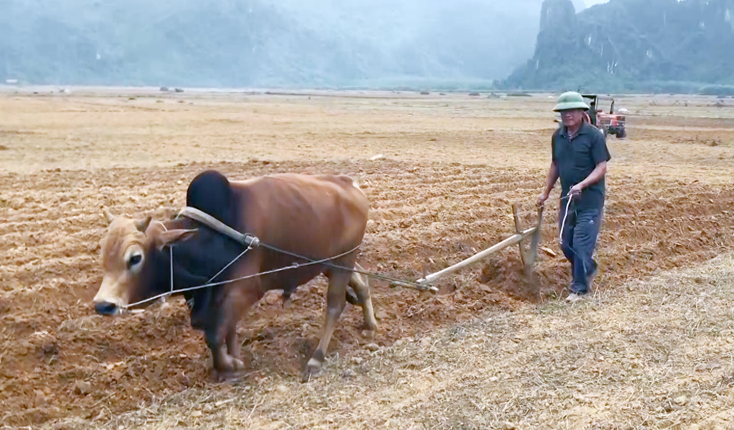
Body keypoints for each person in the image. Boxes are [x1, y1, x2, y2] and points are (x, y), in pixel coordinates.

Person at [538, 92, 611, 303]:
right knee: (565, 243)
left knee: (580, 244)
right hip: (567, 198)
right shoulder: (557, 137)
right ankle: (588, 266)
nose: (567, 115)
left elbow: (602, 166)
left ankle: (579, 289)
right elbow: (555, 165)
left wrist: (582, 184)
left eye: (571, 111)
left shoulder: (594, 136)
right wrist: (546, 192)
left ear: (581, 112)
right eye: (563, 111)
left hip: (590, 200)